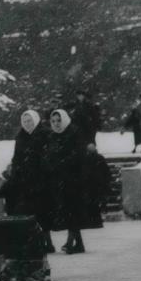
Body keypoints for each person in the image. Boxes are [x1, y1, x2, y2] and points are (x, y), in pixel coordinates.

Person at [3, 109, 55, 253]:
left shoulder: (45, 134)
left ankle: (48, 241)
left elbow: (49, 155)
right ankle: (33, 241)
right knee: (28, 212)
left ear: (36, 120)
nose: (27, 124)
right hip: (25, 180)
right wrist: (15, 171)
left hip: (41, 179)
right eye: (25, 121)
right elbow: (17, 157)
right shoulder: (20, 137)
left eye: (30, 121)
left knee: (43, 212)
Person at [45, 109, 85, 254]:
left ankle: (70, 242)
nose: (56, 124)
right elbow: (49, 154)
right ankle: (79, 243)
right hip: (59, 179)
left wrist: (64, 162)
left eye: (58, 120)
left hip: (73, 178)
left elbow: (78, 154)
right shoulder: (52, 136)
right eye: (53, 121)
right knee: (68, 211)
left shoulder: (73, 132)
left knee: (72, 209)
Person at [80, 142, 113, 231]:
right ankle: (94, 222)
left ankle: (94, 222)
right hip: (93, 185)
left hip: (95, 185)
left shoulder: (96, 158)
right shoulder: (93, 158)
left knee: (93, 204)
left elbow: (106, 172)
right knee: (93, 205)